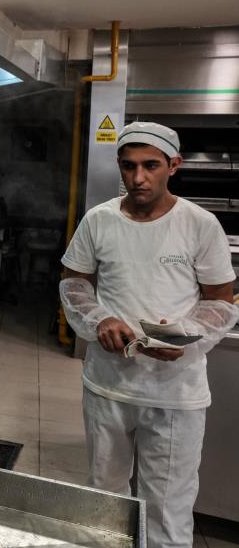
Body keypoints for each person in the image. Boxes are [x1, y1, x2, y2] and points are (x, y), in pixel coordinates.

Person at [59, 121, 238, 548]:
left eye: (150, 166)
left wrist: (184, 335)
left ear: (173, 165)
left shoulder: (200, 224)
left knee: (166, 509)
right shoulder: (99, 220)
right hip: (108, 387)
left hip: (175, 394)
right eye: (128, 166)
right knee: (104, 498)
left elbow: (220, 301)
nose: (138, 178)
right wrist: (100, 319)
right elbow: (74, 282)